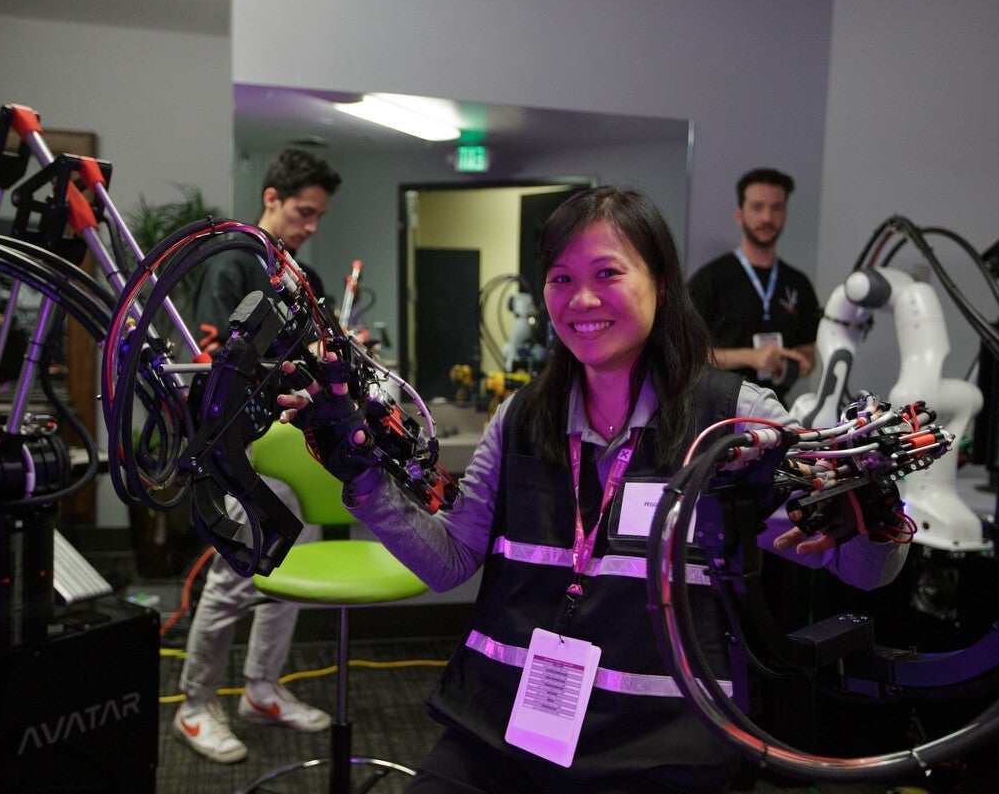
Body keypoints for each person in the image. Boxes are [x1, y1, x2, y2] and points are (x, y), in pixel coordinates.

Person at [278, 186, 907, 792]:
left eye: (608, 274)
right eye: (560, 278)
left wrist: (875, 511)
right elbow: (450, 563)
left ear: (661, 283)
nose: (581, 299)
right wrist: (361, 477)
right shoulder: (521, 418)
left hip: (662, 748)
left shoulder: (735, 420)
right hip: (503, 732)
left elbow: (864, 569)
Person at [171, 148, 342, 763]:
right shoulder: (232, 263)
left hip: (298, 450)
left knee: (291, 578)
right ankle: (194, 705)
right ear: (271, 197)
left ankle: (262, 690)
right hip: (242, 447)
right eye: (304, 211)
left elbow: (322, 355)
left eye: (319, 215)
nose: (312, 225)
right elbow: (216, 359)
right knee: (233, 580)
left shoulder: (303, 278)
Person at [688, 168, 820, 406]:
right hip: (716, 411)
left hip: (775, 411)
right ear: (739, 214)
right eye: (758, 207)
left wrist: (790, 364)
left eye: (776, 207)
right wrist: (752, 357)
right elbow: (689, 355)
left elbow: (808, 355)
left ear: (785, 214)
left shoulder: (798, 284)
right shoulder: (709, 280)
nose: (767, 218)